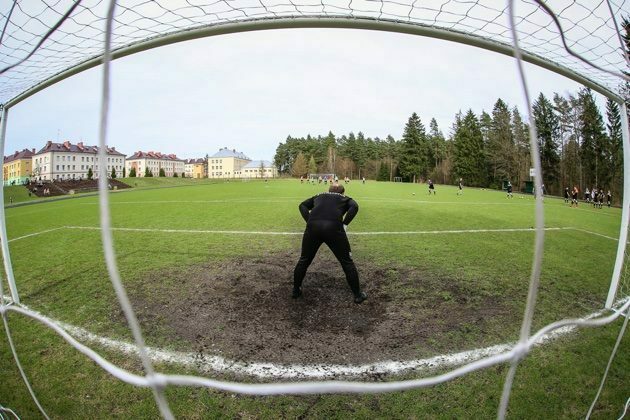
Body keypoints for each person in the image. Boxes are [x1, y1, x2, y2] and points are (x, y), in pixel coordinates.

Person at [293, 184, 367, 304]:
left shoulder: (319, 196)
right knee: (347, 262)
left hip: (313, 228)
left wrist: (309, 220)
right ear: (342, 192)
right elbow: (355, 207)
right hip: (334, 229)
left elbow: (302, 205)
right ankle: (358, 295)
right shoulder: (345, 198)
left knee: (304, 259)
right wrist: (345, 224)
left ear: (329, 190)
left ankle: (296, 291)